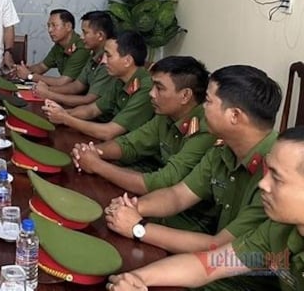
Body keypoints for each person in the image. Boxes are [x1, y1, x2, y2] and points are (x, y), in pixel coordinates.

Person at [103, 65, 280, 290]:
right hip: (222, 262)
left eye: (208, 101)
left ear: (234, 115)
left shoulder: (276, 173)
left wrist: (138, 228)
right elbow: (178, 194)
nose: (202, 108)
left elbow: (218, 247)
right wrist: (134, 208)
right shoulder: (224, 149)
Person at [108, 126, 304, 291]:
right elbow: (209, 264)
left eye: (276, 178)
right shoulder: (277, 229)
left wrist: (138, 228)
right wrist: (137, 278)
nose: (263, 184)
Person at [72, 56, 218, 232]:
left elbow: (162, 182)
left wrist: (97, 165)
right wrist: (91, 152)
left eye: (159, 88)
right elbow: (129, 144)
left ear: (185, 95)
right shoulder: (166, 116)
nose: (151, 93)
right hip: (160, 203)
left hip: (191, 219)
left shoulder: (205, 129)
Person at [42, 31, 154, 141]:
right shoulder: (120, 79)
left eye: (108, 55)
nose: (104, 61)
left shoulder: (146, 88)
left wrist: (65, 119)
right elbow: (92, 110)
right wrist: (61, 113)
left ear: (127, 61)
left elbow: (108, 132)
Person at [34, 10, 115, 107]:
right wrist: (47, 90)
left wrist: (49, 94)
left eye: (85, 33)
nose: (81, 37)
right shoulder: (95, 55)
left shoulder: (109, 61)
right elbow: (76, 86)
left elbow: (88, 100)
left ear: (100, 35)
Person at [13, 9, 89, 86]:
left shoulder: (81, 48)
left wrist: (29, 75)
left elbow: (62, 82)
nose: (50, 30)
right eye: (48, 26)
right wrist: (20, 70)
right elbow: (42, 67)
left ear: (68, 26)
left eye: (54, 25)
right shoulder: (59, 46)